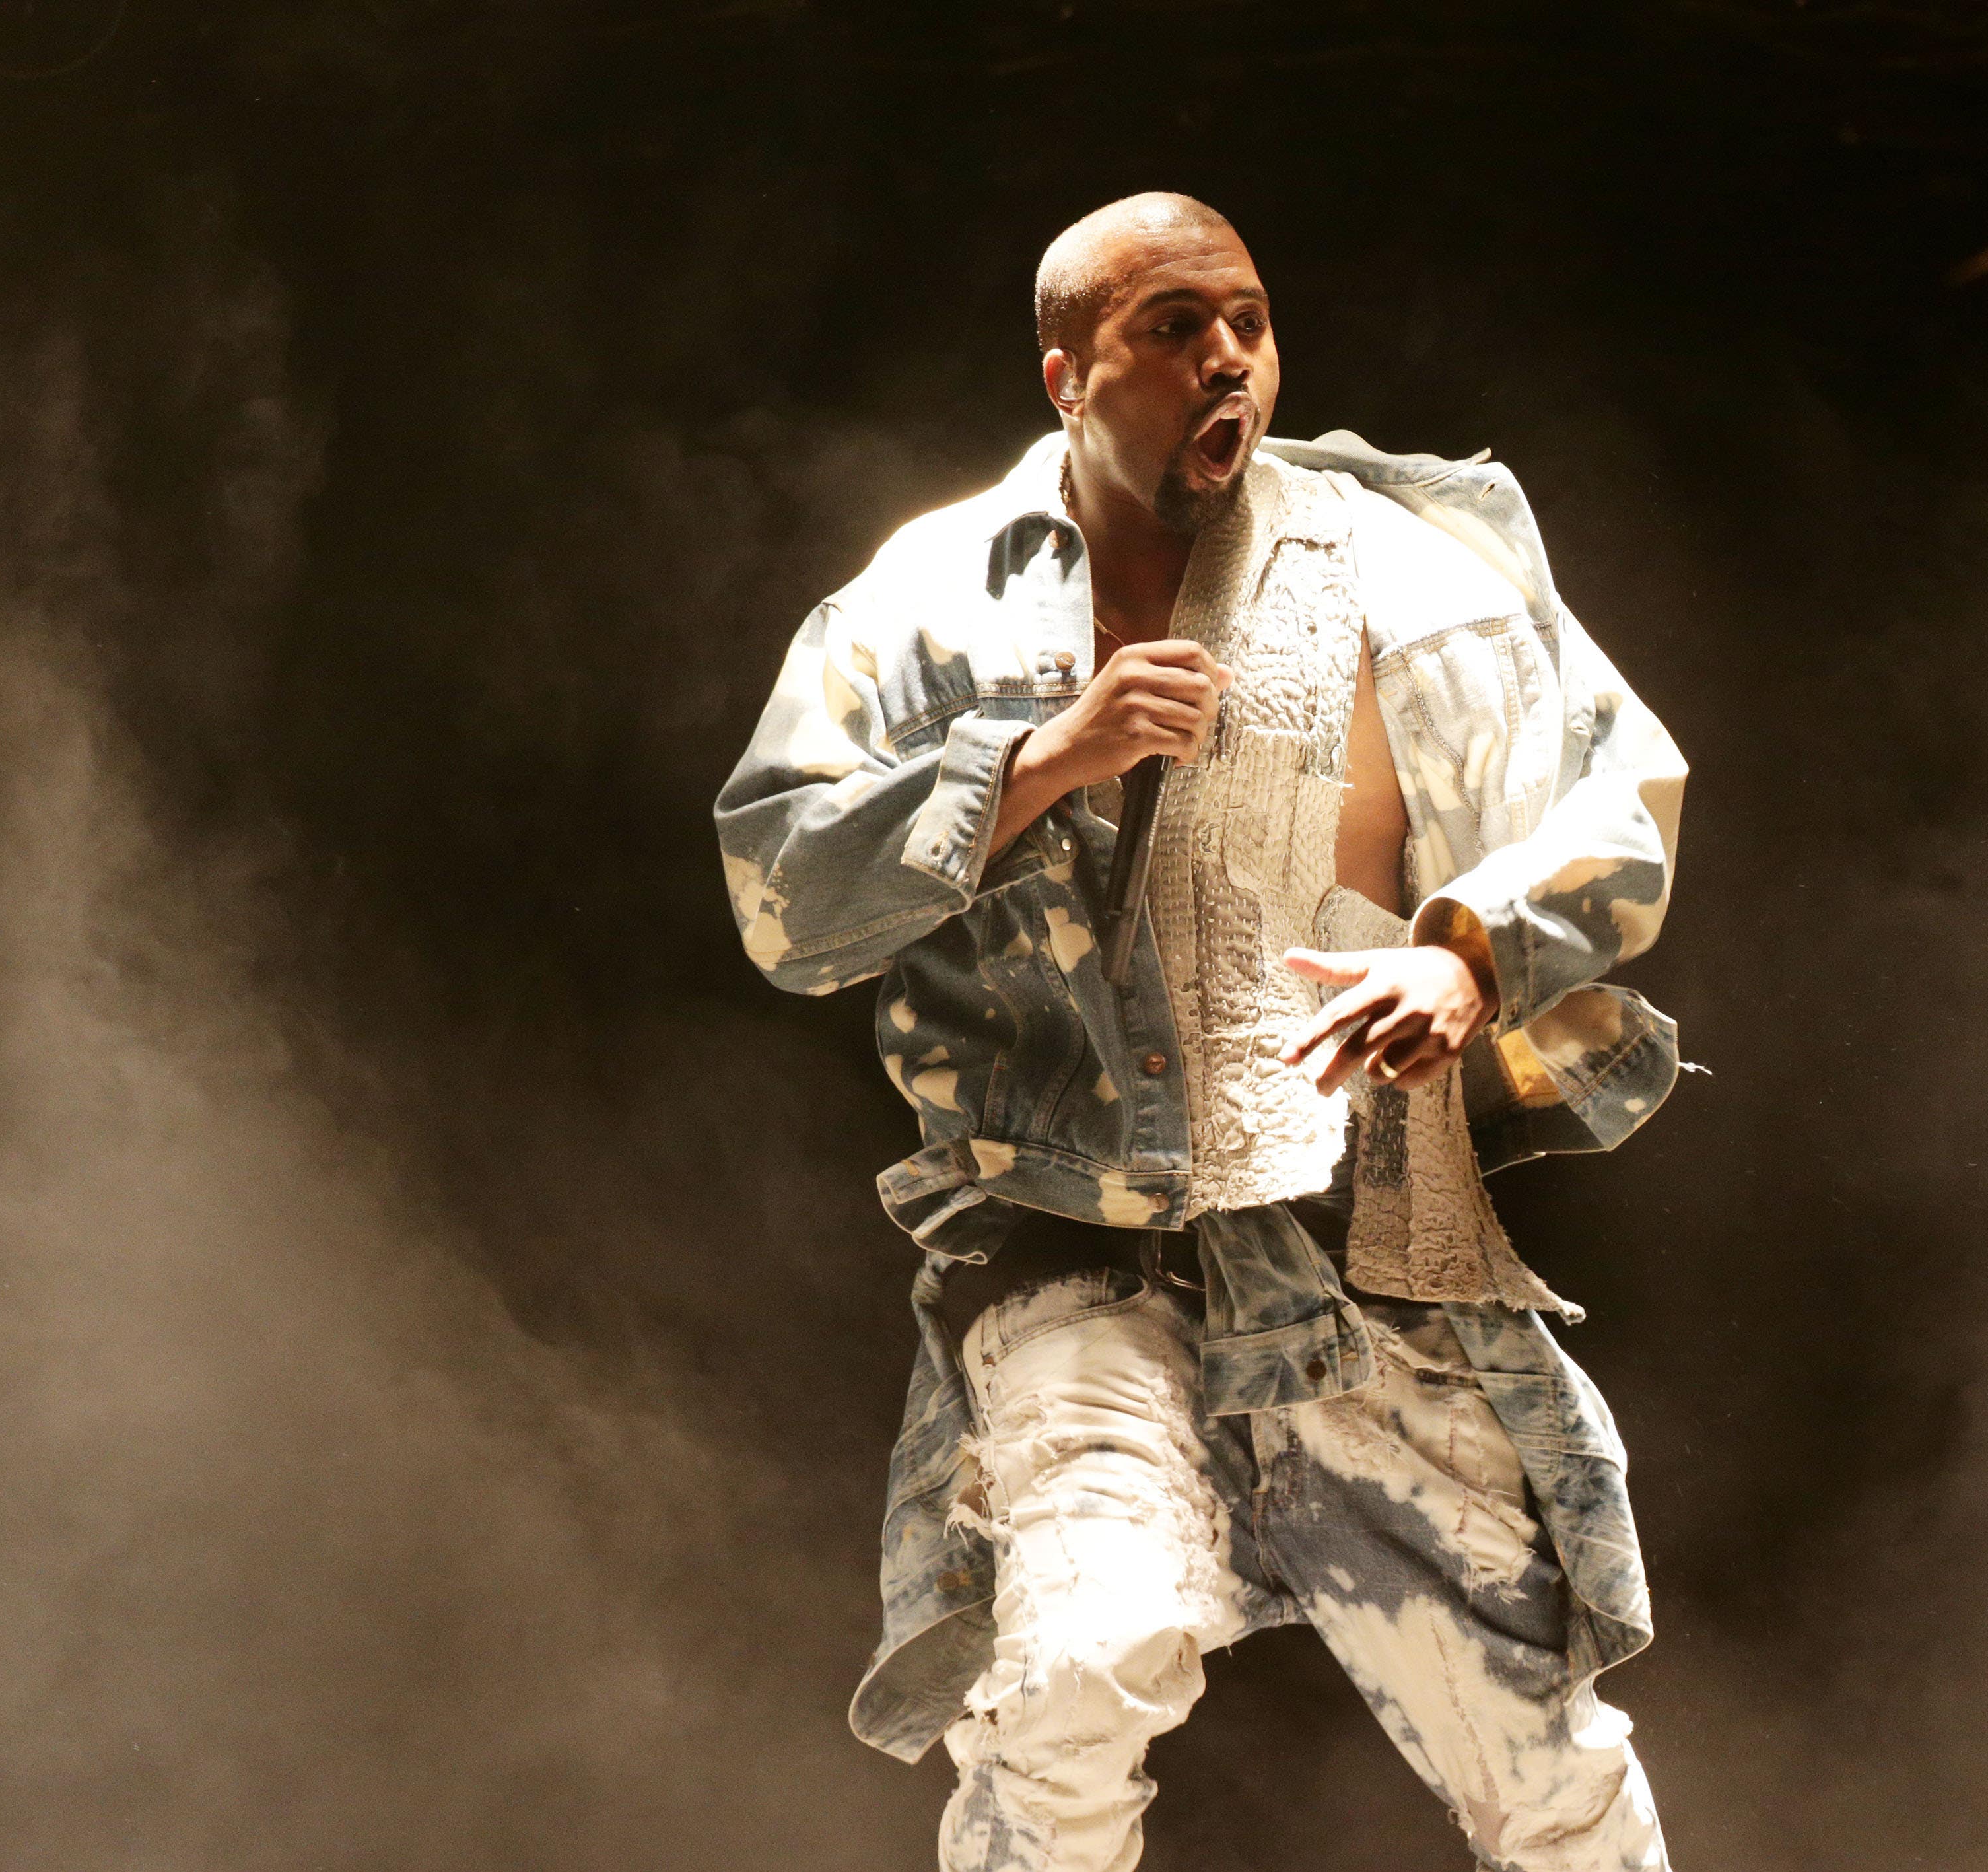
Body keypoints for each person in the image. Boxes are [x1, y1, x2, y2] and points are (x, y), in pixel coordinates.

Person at [714, 191, 1689, 1872]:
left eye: (1243, 318)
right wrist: (1031, 764)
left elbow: (1616, 802)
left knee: (1542, 1761)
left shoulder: (1405, 575)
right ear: (1065, 376)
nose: (1224, 355)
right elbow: (779, 894)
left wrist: (1465, 951)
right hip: (1063, 1235)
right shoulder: (933, 596)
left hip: (1347, 1237)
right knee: (1077, 1671)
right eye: (1170, 327)